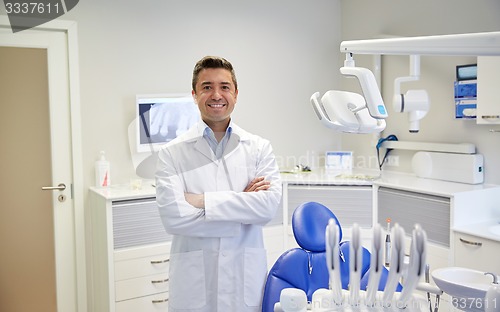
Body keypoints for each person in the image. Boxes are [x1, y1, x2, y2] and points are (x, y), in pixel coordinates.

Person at [156, 55, 282, 311]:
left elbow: (267, 209)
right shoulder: (172, 153)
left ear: (235, 93)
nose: (216, 94)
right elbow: (173, 218)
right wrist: (243, 203)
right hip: (194, 284)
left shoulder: (259, 148)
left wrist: (200, 201)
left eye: (224, 86)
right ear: (194, 94)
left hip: (243, 279)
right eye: (207, 87)